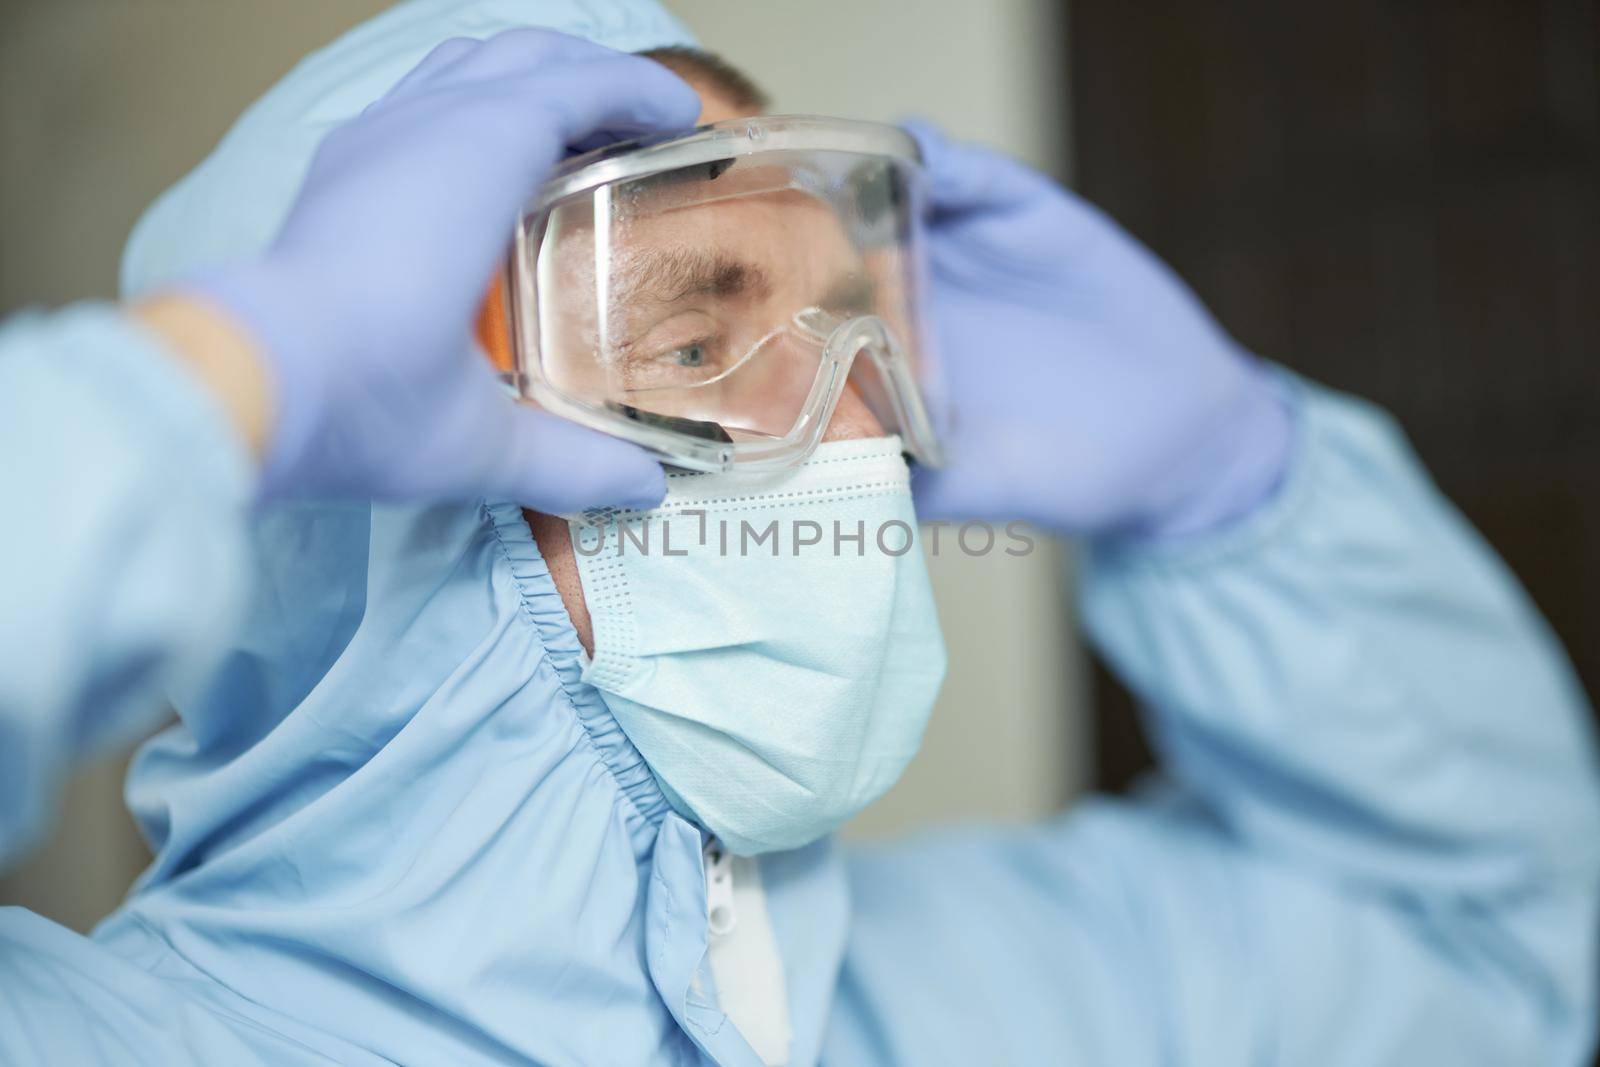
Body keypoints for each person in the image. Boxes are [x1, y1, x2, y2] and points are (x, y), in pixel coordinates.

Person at [1, 4, 1596, 1067]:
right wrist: (221, 389)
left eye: (859, 334)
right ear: (361, 497)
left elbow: (1507, 952)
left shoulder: (1012, 1003)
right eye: (694, 345)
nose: (849, 434)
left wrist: (1241, 506)